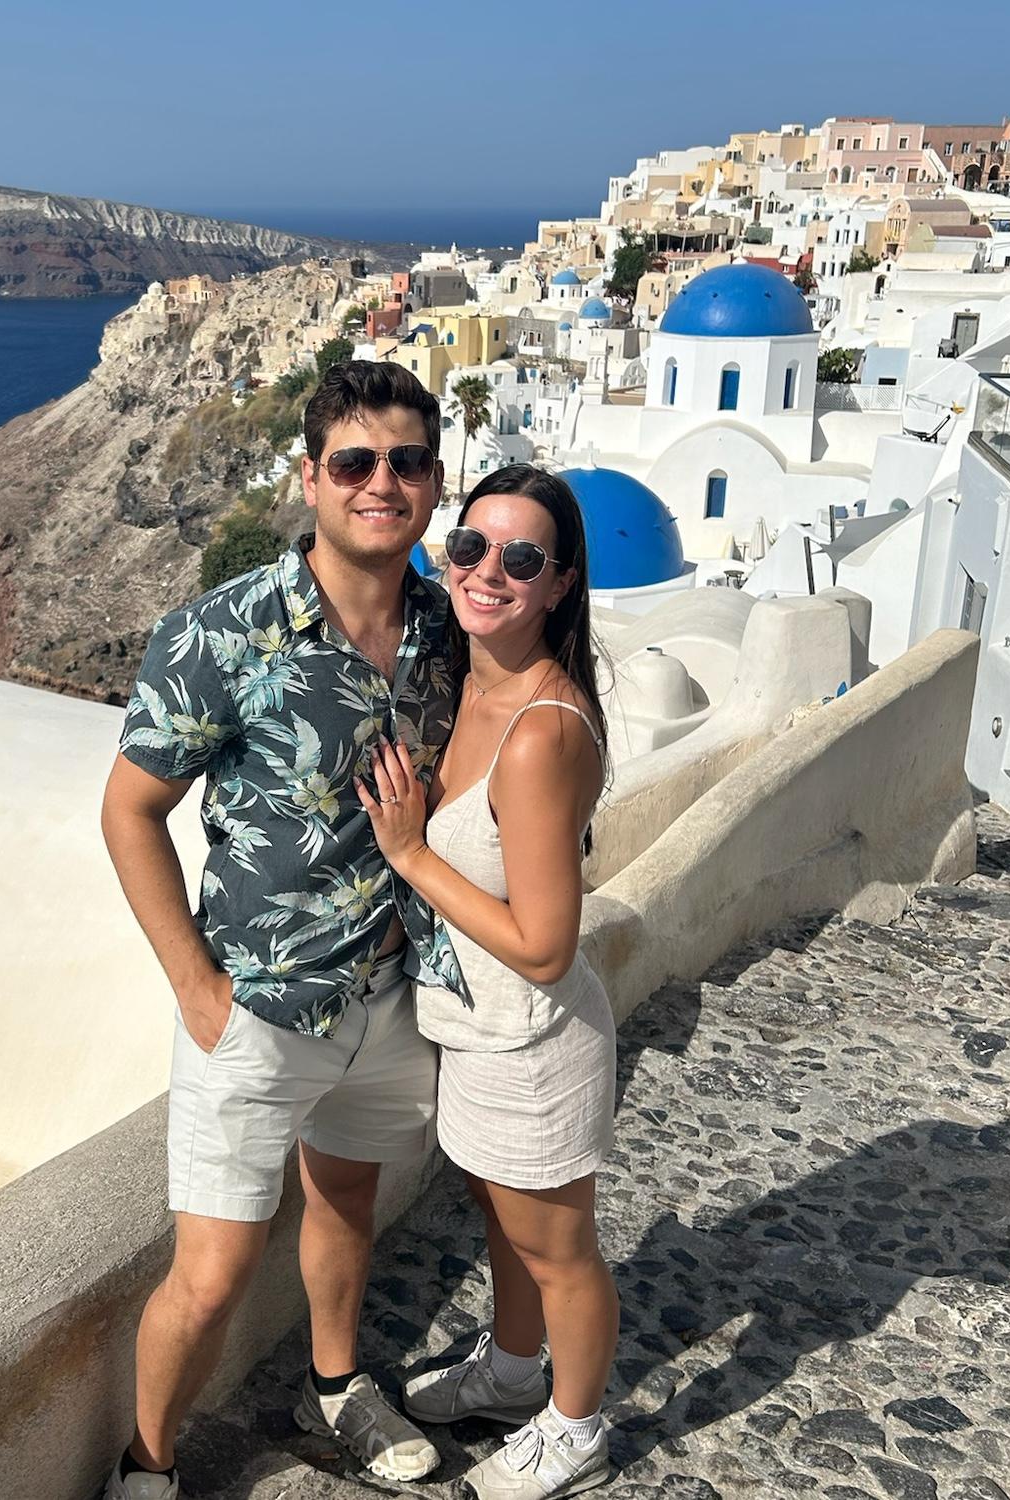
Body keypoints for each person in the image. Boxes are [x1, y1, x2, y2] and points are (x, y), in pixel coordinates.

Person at [100, 361, 469, 1499]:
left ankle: (335, 1381)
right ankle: (146, 1467)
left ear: (433, 481)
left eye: (406, 462)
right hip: (257, 1011)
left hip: (389, 996)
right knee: (209, 1277)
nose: (381, 484)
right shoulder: (224, 634)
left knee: (347, 1203)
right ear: (309, 479)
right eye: (354, 463)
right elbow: (130, 811)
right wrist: (196, 987)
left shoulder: (445, 630)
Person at [356, 464, 620, 1500]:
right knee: (505, 1223)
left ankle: (576, 1429)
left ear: (559, 584)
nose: (487, 572)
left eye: (521, 559)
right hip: (472, 1028)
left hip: (533, 1039)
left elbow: (549, 943)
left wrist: (413, 855)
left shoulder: (540, 733)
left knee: (561, 1252)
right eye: (471, 547)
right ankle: (512, 1378)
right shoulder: (471, 687)